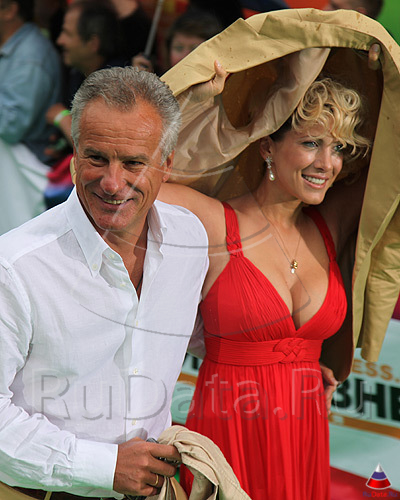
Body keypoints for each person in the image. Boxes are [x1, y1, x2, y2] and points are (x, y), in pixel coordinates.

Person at [157, 7, 398, 498]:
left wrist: (383, 70)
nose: (327, 163)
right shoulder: (216, 222)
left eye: (338, 148)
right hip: (228, 434)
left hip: (306, 432)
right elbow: (130, 181)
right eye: (311, 143)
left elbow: (393, 161)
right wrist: (203, 106)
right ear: (266, 145)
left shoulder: (330, 224)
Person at [0, 66, 208, 498]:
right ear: (75, 155)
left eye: (134, 162)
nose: (113, 183)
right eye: (96, 158)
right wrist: (104, 466)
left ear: (167, 164)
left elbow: (200, 336)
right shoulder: (15, 266)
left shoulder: (190, 239)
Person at [44, 0, 125, 208]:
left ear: (93, 43)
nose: (60, 40)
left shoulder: (117, 84)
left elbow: (105, 146)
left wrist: (62, 118)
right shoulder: (77, 73)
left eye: (67, 33)